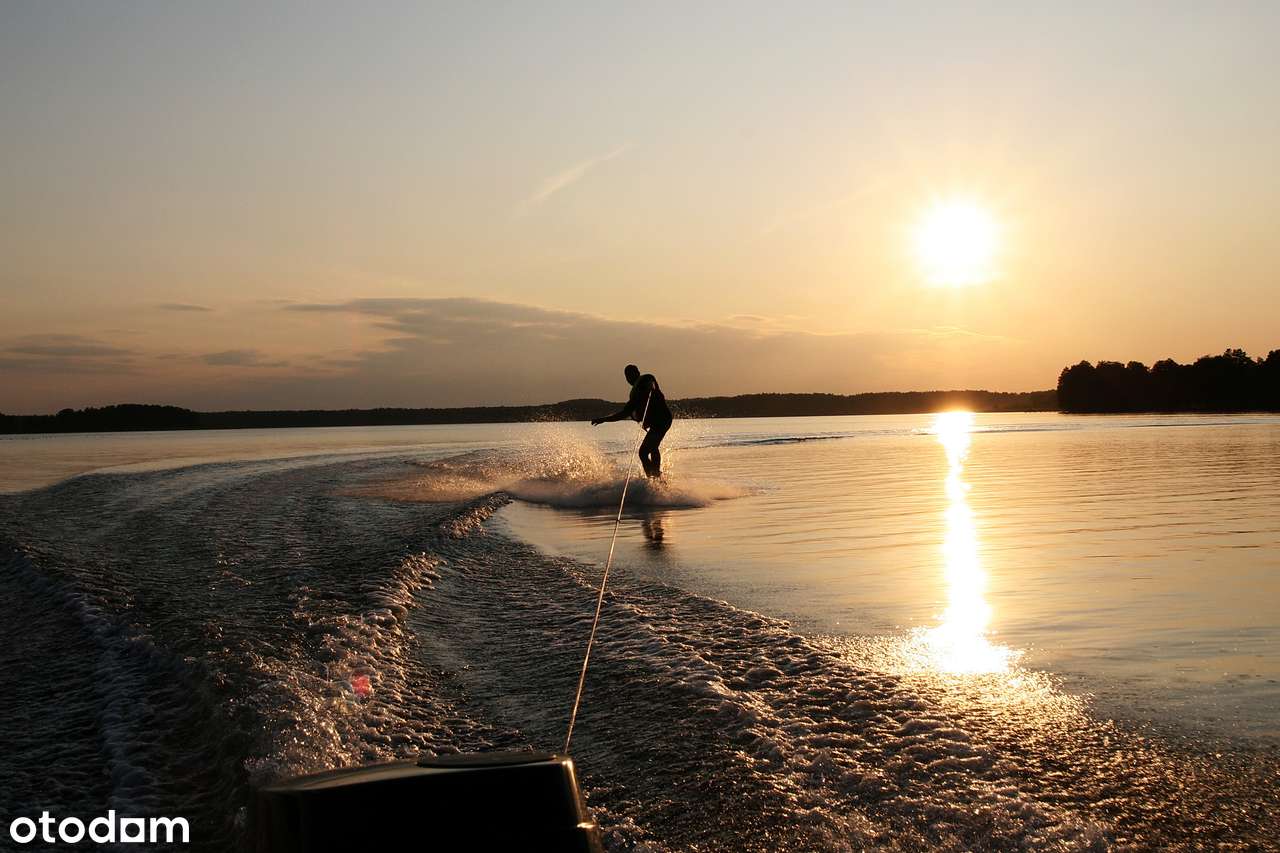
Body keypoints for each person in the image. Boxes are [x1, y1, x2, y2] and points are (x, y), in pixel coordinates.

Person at [591, 364, 674, 478]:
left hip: (663, 419)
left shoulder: (646, 378)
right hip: (656, 424)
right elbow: (623, 414)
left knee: (643, 452)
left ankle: (655, 477)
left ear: (637, 373)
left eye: (631, 374)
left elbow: (652, 382)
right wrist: (604, 419)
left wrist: (650, 387)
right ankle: (655, 477)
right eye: (627, 376)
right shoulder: (634, 397)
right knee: (652, 447)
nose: (629, 378)